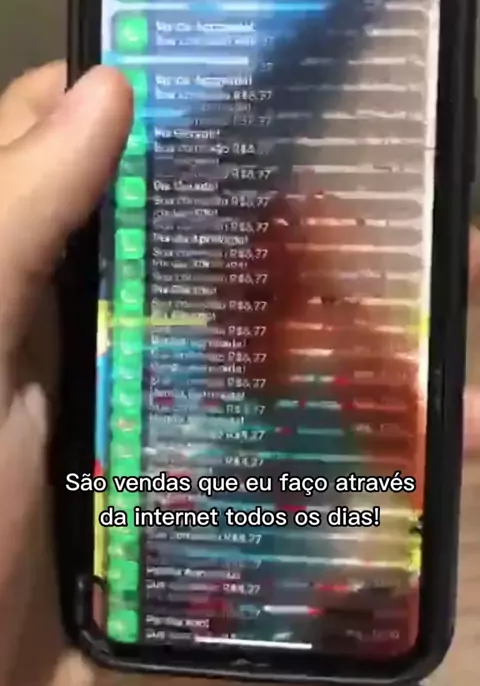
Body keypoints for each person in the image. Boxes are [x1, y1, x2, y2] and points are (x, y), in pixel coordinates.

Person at [0, 61, 478, 685]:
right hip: (149, 614)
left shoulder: (344, 401)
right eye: (260, 294)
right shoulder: (147, 375)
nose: (292, 321)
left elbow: (384, 516)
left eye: (323, 299)